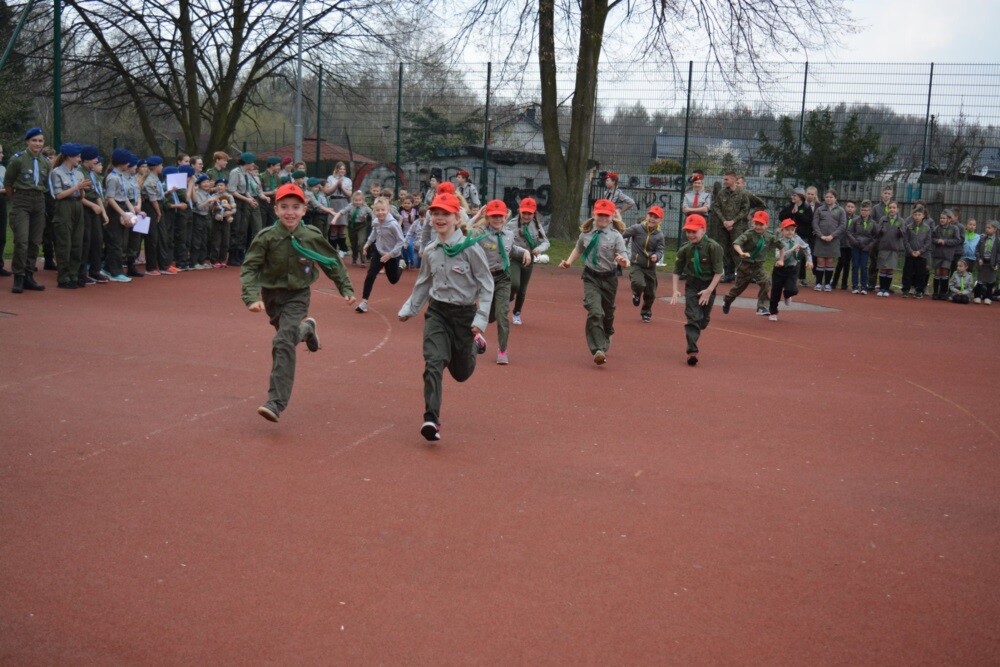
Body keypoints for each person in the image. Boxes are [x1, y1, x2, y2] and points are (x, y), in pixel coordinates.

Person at [241, 182, 356, 423]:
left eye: (296, 207)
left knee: (282, 341)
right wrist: (251, 297)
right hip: (272, 296)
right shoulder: (267, 237)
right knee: (287, 337)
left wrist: (345, 287)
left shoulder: (310, 236)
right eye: (284, 207)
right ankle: (306, 329)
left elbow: (331, 261)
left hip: (298, 295)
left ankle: (275, 402)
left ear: (304, 210)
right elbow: (250, 267)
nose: (290, 212)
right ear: (276, 210)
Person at [398, 191, 494, 442]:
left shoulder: (471, 249)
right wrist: (410, 309)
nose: (439, 218)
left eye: (445, 214)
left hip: (464, 316)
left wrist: (481, 319)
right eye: (435, 214)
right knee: (434, 362)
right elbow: (423, 283)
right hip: (438, 312)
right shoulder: (431, 250)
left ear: (457, 218)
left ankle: (474, 345)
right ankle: (431, 418)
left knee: (461, 373)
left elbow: (487, 284)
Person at [558, 199, 629, 365]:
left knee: (608, 313)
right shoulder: (586, 233)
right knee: (595, 312)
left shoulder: (616, 236)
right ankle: (598, 349)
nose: (603, 218)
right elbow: (579, 248)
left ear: (612, 217)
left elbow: (624, 254)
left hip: (609, 279)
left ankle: (607, 332)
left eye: (606, 215)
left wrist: (624, 262)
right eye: (600, 214)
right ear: (594, 214)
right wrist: (568, 262)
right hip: (591, 277)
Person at [472, 199, 530, 364]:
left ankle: (502, 350)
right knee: (486, 316)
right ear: (488, 217)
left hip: (503, 277)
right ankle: (474, 333)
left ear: (506, 217)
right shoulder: (479, 233)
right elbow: (463, 239)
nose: (497, 219)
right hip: (485, 279)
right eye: (494, 216)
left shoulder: (509, 234)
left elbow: (510, 249)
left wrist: (524, 251)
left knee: (502, 314)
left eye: (500, 216)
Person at [671, 214, 723, 365]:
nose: (690, 235)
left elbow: (719, 272)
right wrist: (675, 290)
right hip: (692, 285)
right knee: (693, 318)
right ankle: (692, 351)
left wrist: (709, 290)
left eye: (694, 231)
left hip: (709, 285)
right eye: (688, 231)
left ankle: (702, 322)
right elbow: (676, 271)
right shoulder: (685, 249)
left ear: (703, 230)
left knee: (703, 321)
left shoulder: (713, 247)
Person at [4, 127, 51, 293]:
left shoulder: (46, 162)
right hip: (21, 200)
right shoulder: (17, 160)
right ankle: (19, 276)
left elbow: (45, 183)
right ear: (27, 142)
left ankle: (29, 275)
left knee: (35, 241)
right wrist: (16, 200)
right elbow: (8, 183)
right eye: (34, 140)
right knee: (21, 240)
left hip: (39, 201)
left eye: (40, 141)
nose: (37, 144)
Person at [722, 210, 782, 316]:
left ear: (767, 225)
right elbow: (736, 243)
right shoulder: (749, 234)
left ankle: (762, 306)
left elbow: (781, 246)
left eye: (761, 224)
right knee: (738, 288)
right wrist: (741, 253)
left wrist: (781, 259)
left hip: (758, 267)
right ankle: (728, 299)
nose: (758, 227)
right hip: (745, 266)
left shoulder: (770, 236)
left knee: (766, 282)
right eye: (756, 224)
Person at [48, 142, 89, 289]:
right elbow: (58, 195)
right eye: (77, 156)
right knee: (65, 243)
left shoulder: (78, 173)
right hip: (64, 206)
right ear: (69, 157)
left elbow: (81, 195)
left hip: (77, 205)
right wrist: (77, 187)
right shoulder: (57, 172)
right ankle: (63, 277)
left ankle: (74, 275)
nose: (79, 159)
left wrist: (82, 189)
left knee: (77, 242)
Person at [356, 197, 405, 314]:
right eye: (377, 210)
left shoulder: (393, 224)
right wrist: (367, 244)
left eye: (383, 210)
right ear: (374, 211)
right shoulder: (376, 222)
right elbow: (374, 233)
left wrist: (390, 255)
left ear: (388, 210)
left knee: (393, 280)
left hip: (392, 254)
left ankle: (401, 265)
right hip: (379, 252)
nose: (380, 212)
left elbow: (401, 241)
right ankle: (364, 302)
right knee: (370, 275)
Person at [508, 196, 549, 326]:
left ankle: (517, 312)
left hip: (529, 261)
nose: (526, 216)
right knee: (515, 284)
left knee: (522, 290)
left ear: (534, 213)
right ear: (519, 211)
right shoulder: (511, 225)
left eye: (529, 213)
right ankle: (508, 298)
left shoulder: (537, 226)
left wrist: (539, 249)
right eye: (524, 212)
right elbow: (506, 243)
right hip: (514, 259)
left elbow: (546, 242)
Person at [622, 205, 665, 322]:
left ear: (660, 220)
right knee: (639, 283)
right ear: (647, 216)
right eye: (650, 215)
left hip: (650, 267)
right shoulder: (637, 228)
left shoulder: (659, 235)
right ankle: (636, 294)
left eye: (656, 217)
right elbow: (622, 234)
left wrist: (657, 256)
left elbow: (660, 250)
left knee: (651, 293)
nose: (652, 219)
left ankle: (646, 312)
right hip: (636, 264)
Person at [708, 170, 750, 283]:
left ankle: (741, 274)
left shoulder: (742, 194)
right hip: (723, 226)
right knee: (724, 250)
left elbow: (745, 209)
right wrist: (724, 221)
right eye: (724, 179)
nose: (724, 181)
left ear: (733, 180)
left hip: (736, 227)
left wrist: (733, 221)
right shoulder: (721, 193)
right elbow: (716, 207)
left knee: (736, 250)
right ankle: (728, 274)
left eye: (726, 179)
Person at [768, 219, 813, 321]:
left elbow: (806, 248)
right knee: (776, 292)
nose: (790, 232)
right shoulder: (779, 241)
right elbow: (778, 256)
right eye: (787, 230)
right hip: (779, 269)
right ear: (782, 230)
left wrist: (809, 260)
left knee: (792, 289)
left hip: (792, 268)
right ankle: (773, 312)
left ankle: (787, 295)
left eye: (792, 230)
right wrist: (792, 250)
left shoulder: (797, 239)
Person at [78, 146, 109, 284]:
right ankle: (81, 273)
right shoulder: (80, 173)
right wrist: (92, 206)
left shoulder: (93, 174)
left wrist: (103, 212)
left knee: (97, 240)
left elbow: (97, 194)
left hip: (96, 210)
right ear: (87, 160)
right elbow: (79, 196)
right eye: (94, 159)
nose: (96, 161)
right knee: (86, 241)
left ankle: (95, 270)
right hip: (85, 208)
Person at [810, 189, 846, 291]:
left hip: (833, 240)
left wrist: (832, 236)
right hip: (820, 240)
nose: (828, 199)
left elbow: (843, 225)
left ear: (835, 198)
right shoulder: (820, 209)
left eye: (831, 197)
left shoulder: (841, 210)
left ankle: (827, 284)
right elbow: (815, 224)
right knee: (820, 261)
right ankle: (818, 283)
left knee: (830, 261)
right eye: (826, 197)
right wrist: (821, 235)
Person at [930, 209, 962, 300]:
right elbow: (932, 238)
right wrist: (937, 241)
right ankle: (935, 292)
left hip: (947, 255)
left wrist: (946, 241)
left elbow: (957, 240)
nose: (942, 220)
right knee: (937, 272)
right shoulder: (937, 228)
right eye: (941, 218)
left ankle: (943, 292)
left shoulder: (954, 229)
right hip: (938, 255)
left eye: (944, 218)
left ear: (949, 219)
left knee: (945, 272)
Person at [874, 201, 904, 298]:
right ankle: (881, 289)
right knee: (883, 268)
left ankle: (886, 289)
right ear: (887, 209)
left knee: (890, 269)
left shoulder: (901, 221)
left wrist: (900, 232)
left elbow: (903, 233)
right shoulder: (883, 219)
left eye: (894, 208)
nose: (892, 209)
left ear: (897, 209)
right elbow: (877, 231)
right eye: (890, 207)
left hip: (894, 249)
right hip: (883, 248)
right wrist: (880, 231)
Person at [901, 204, 931, 298]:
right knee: (907, 272)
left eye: (919, 215)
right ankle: (906, 289)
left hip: (921, 255)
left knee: (920, 274)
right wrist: (911, 251)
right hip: (910, 254)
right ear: (913, 216)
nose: (917, 217)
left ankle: (919, 290)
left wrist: (920, 252)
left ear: (923, 216)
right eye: (915, 215)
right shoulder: (909, 227)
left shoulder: (927, 228)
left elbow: (928, 242)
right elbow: (905, 241)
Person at [847, 200, 877, 294]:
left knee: (864, 267)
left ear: (870, 211)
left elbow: (876, 236)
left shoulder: (873, 223)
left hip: (866, 248)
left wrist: (869, 246)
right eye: (862, 210)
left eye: (866, 210)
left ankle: (864, 286)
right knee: (855, 266)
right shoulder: (855, 221)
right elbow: (849, 232)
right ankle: (855, 286)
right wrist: (855, 242)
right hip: (856, 247)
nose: (864, 212)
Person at [831, 200, 857, 290]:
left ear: (855, 209)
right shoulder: (841, 217)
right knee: (840, 262)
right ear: (845, 207)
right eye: (848, 206)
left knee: (847, 264)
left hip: (850, 244)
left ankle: (844, 283)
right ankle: (834, 282)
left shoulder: (857, 219)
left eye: (852, 207)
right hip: (841, 243)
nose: (850, 209)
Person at [342, 190, 373, 265]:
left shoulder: (365, 207)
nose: (358, 202)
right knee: (353, 243)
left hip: (362, 226)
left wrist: (375, 221)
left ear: (363, 201)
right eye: (356, 200)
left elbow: (372, 214)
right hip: (352, 226)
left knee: (361, 242)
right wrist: (337, 215)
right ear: (353, 200)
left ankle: (363, 259)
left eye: (360, 200)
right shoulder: (350, 206)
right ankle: (354, 257)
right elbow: (343, 211)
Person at [974, 221, 998, 304]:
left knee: (990, 281)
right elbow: (977, 250)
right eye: (986, 228)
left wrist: (997, 263)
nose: (987, 229)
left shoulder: (998, 240)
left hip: (992, 264)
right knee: (980, 280)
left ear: (995, 229)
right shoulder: (982, 239)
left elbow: (999, 253)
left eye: (989, 228)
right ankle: (977, 296)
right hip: (982, 262)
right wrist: (979, 259)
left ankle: (988, 297)